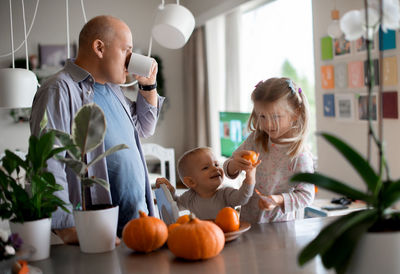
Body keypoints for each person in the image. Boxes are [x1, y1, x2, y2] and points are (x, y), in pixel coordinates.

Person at [30, 15, 164, 242]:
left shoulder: (112, 89)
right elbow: (48, 161)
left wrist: (148, 85)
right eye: (126, 51)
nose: (131, 60)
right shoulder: (59, 89)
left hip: (138, 225)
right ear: (99, 48)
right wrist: (68, 228)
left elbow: (144, 127)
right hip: (98, 233)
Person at [223, 77, 315, 224]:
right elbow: (229, 169)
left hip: (278, 229)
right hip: (247, 224)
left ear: (295, 114)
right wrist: (234, 164)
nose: (268, 124)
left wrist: (277, 200)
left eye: (276, 117)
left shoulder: (299, 155)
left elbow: (306, 195)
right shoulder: (256, 139)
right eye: (263, 116)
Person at [155, 147, 259, 220]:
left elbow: (242, 198)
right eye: (206, 167)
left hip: (227, 234)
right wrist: (171, 191)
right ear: (191, 182)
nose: (215, 168)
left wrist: (250, 178)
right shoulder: (190, 197)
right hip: (204, 236)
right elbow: (176, 206)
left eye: (216, 164)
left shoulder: (225, 193)